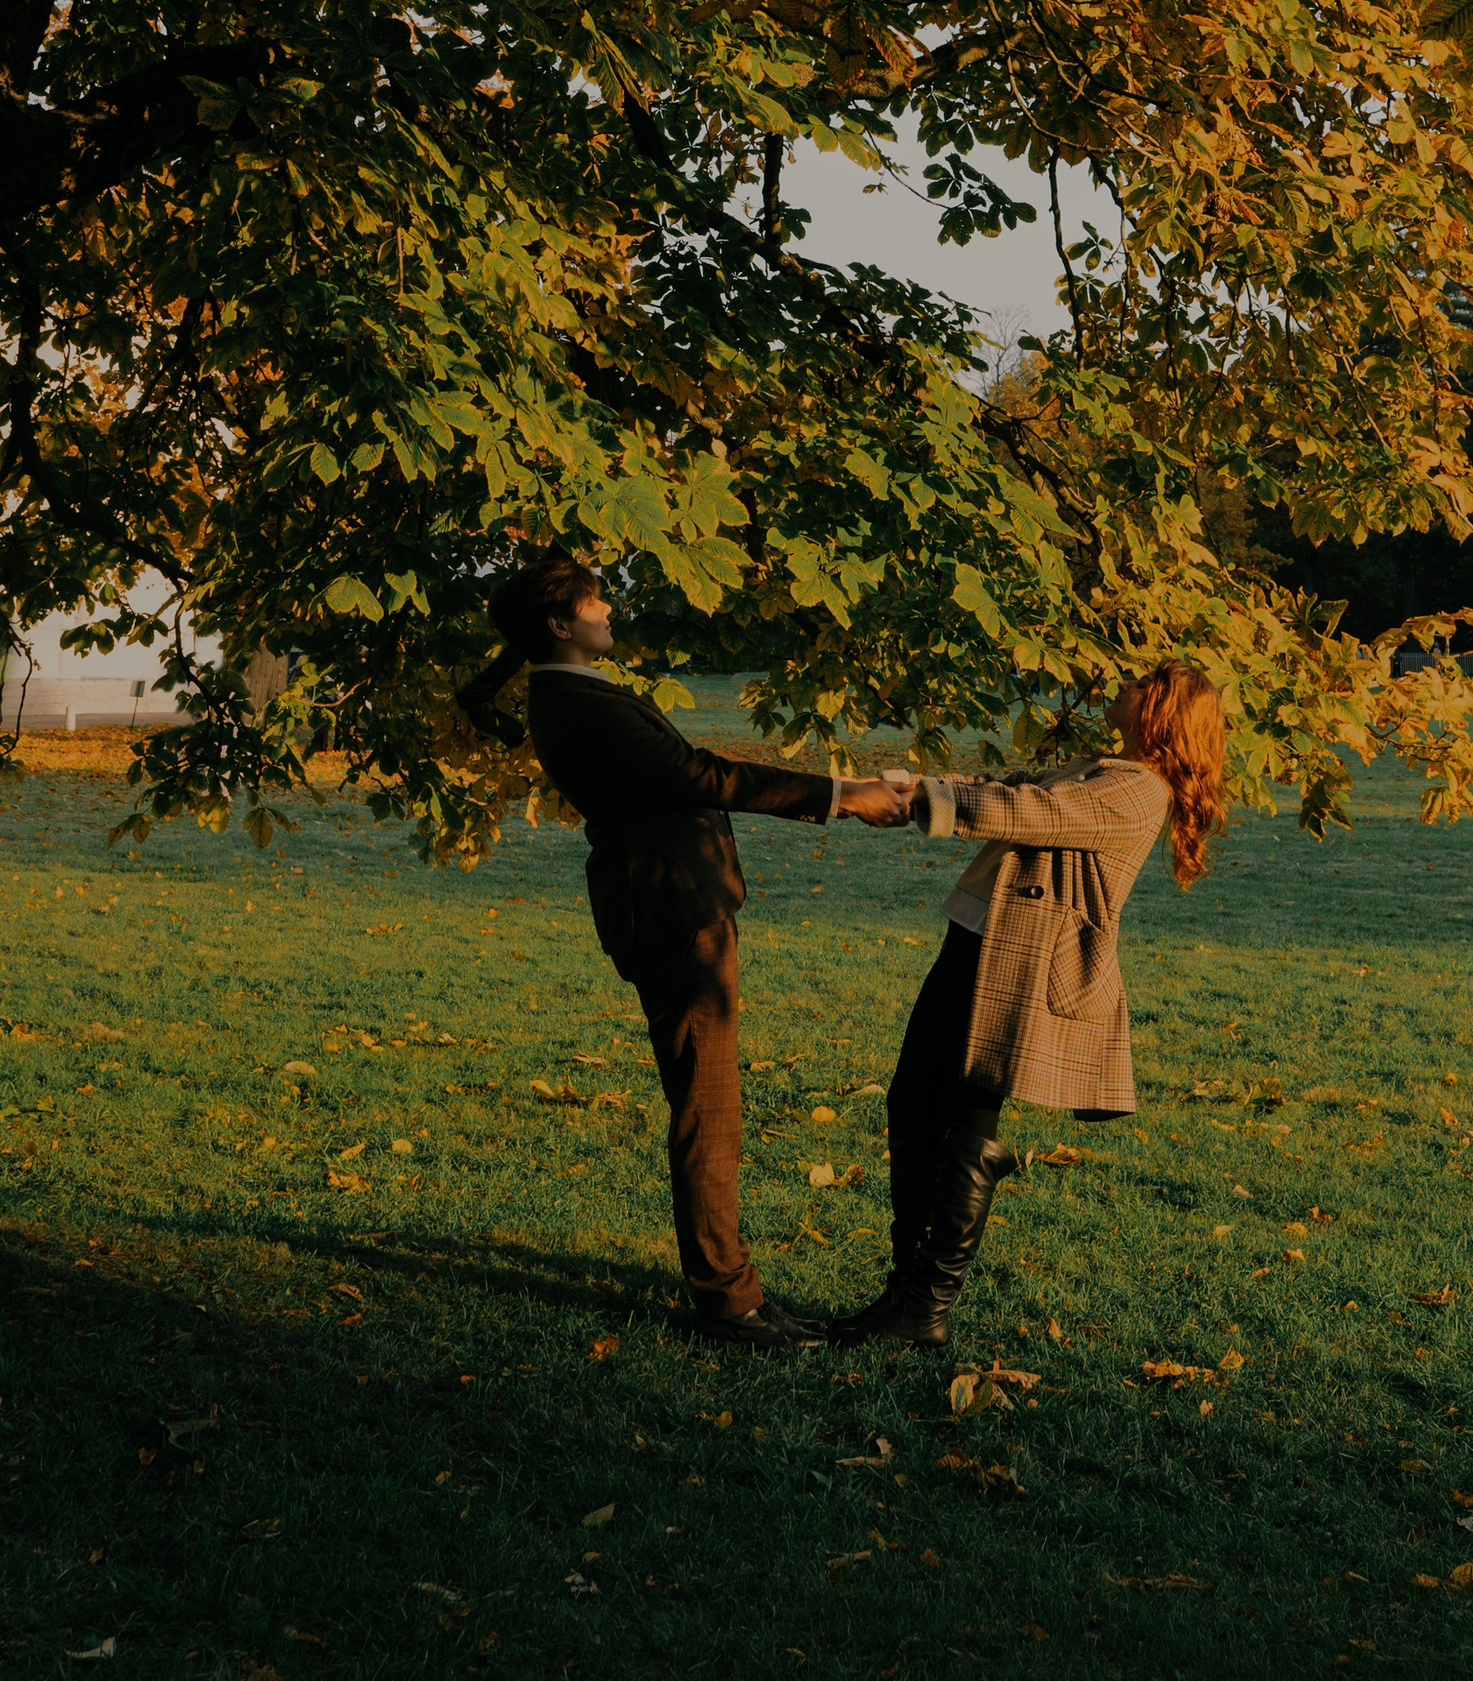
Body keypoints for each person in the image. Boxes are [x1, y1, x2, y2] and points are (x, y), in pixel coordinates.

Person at [458, 553, 910, 1352]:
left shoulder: (574, 691)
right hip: (669, 912)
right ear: (559, 623)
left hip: (679, 905)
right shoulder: (575, 702)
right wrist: (843, 795)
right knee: (709, 1107)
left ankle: (735, 1293)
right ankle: (730, 1304)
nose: (609, 610)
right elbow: (699, 774)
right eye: (595, 601)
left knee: (712, 1103)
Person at [832, 659, 1228, 1349]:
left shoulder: (1139, 789)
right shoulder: (1104, 767)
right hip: (977, 938)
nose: (1124, 683)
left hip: (1023, 961)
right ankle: (905, 1290)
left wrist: (929, 801)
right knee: (914, 1102)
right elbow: (1013, 787)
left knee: (964, 1122)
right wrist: (919, 790)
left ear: (1161, 713)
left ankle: (925, 1308)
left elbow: (1036, 813)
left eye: (1142, 683)